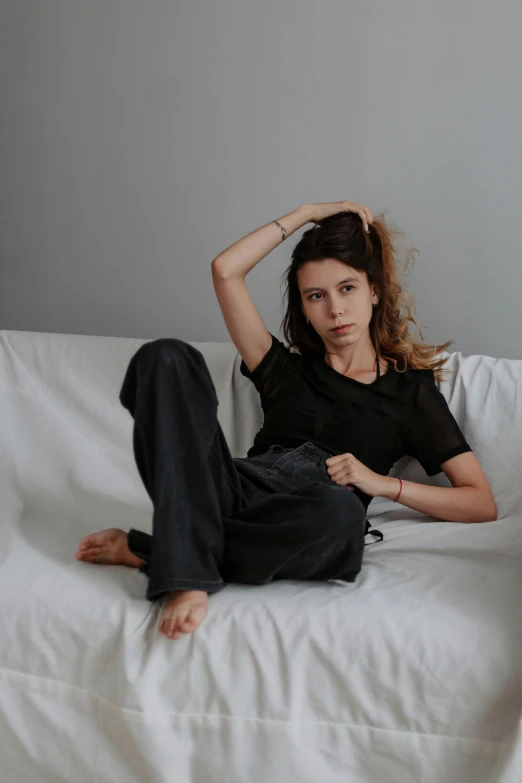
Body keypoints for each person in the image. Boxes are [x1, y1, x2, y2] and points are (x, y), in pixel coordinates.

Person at [75, 201, 497, 641]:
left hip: (315, 510)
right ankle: (186, 569)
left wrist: (382, 484)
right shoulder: (285, 369)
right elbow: (225, 270)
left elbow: (481, 503)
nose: (335, 309)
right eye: (317, 295)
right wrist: (307, 212)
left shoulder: (411, 393)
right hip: (233, 489)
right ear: (304, 307)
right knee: (164, 357)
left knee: (340, 517)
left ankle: (165, 552)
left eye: (347, 288)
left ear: (374, 290)